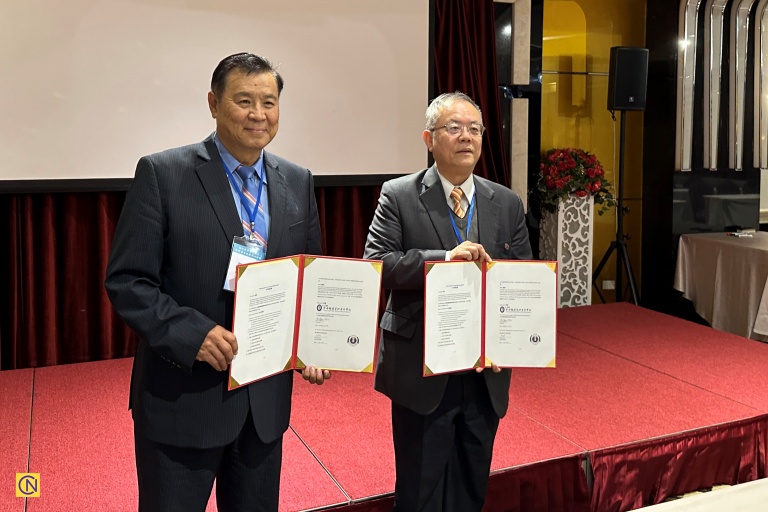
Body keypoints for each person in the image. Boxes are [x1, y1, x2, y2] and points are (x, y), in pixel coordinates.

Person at [104, 52, 330, 512]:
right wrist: (193, 334)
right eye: (244, 101)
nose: (258, 114)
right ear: (213, 103)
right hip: (183, 403)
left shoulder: (297, 180)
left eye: (269, 102)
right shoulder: (163, 174)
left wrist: (316, 343)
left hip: (263, 407)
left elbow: (311, 279)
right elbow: (128, 281)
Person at [363, 91, 532, 511]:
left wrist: (509, 342)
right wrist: (441, 260)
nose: (466, 137)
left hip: (484, 371)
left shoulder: (506, 202)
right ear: (429, 138)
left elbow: (521, 280)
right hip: (423, 367)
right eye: (454, 128)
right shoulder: (399, 195)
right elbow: (378, 265)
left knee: (471, 484)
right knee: (419, 489)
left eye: (475, 129)